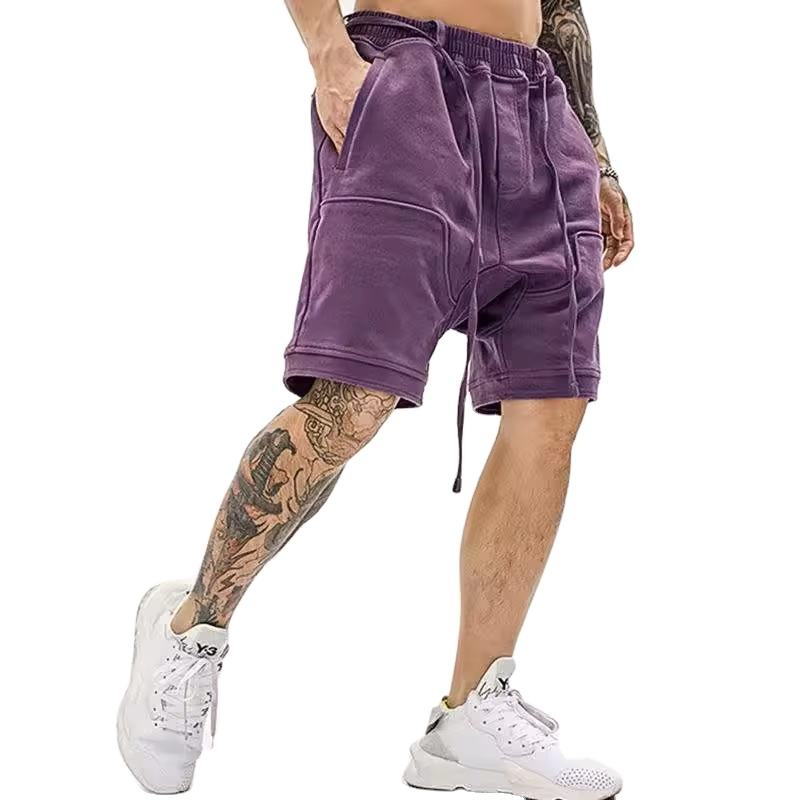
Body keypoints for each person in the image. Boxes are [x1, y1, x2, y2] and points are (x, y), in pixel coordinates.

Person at [117, 1, 634, 797]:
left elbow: (561, 6)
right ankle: (190, 626)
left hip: (538, 111)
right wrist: (328, 50)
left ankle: (470, 716)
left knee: (550, 412)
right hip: (410, 83)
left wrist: (596, 156)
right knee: (351, 402)